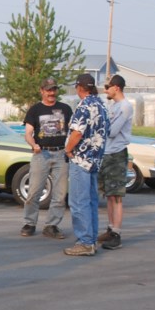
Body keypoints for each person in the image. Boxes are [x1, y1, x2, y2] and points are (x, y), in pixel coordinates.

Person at [20, 77, 73, 239]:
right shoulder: (35, 110)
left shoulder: (65, 109)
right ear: (42, 91)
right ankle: (29, 223)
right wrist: (33, 144)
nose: (51, 93)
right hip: (41, 154)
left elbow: (73, 130)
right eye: (48, 90)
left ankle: (52, 225)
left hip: (61, 154)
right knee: (34, 191)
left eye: (54, 89)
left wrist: (70, 148)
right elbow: (28, 133)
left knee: (60, 193)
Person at [63, 73, 108, 256]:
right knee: (91, 202)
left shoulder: (84, 106)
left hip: (81, 159)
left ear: (79, 87)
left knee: (78, 202)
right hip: (95, 160)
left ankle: (85, 242)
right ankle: (91, 238)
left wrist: (68, 149)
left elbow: (77, 133)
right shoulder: (100, 105)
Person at [97, 74, 133, 250]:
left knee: (116, 195)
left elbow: (112, 131)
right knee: (109, 194)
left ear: (116, 87)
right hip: (106, 152)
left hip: (117, 154)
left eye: (107, 87)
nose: (106, 90)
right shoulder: (113, 106)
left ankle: (117, 233)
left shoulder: (125, 107)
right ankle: (110, 228)